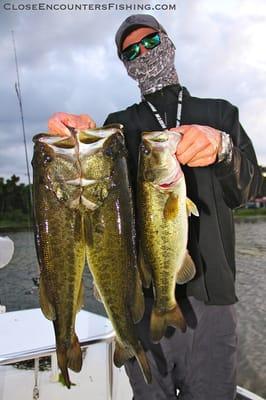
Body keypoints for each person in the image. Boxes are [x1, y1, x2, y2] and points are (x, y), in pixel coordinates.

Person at [48, 14, 263, 400]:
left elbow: (251, 189)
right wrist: (83, 142)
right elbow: (101, 195)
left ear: (170, 43)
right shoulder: (119, 127)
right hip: (142, 307)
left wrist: (223, 147)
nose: (143, 53)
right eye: (131, 51)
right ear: (125, 67)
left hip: (212, 303)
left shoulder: (221, 113)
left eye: (151, 42)